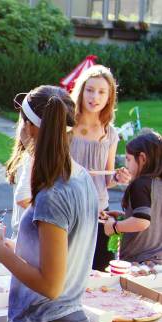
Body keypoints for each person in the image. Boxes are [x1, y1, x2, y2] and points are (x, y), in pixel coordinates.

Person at [0, 85, 98, 322]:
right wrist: (15, 245)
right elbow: (61, 250)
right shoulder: (80, 176)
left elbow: (50, 285)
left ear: (29, 126)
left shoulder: (53, 192)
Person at [69, 65, 130, 271]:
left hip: (98, 211)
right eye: (90, 90)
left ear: (109, 97)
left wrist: (118, 177)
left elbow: (108, 179)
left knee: (99, 268)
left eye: (102, 92)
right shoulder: (66, 127)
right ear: (81, 91)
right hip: (68, 206)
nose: (95, 97)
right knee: (69, 268)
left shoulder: (110, 134)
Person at [102, 130, 162, 263]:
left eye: (128, 160)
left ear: (142, 158)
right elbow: (152, 216)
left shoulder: (140, 184)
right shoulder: (157, 182)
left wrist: (114, 226)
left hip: (140, 262)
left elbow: (142, 221)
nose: (126, 166)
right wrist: (126, 216)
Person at [5, 98, 34, 239]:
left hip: (30, 235)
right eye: (22, 120)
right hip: (20, 233)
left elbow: (23, 198)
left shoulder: (33, 159)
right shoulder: (24, 156)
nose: (23, 126)